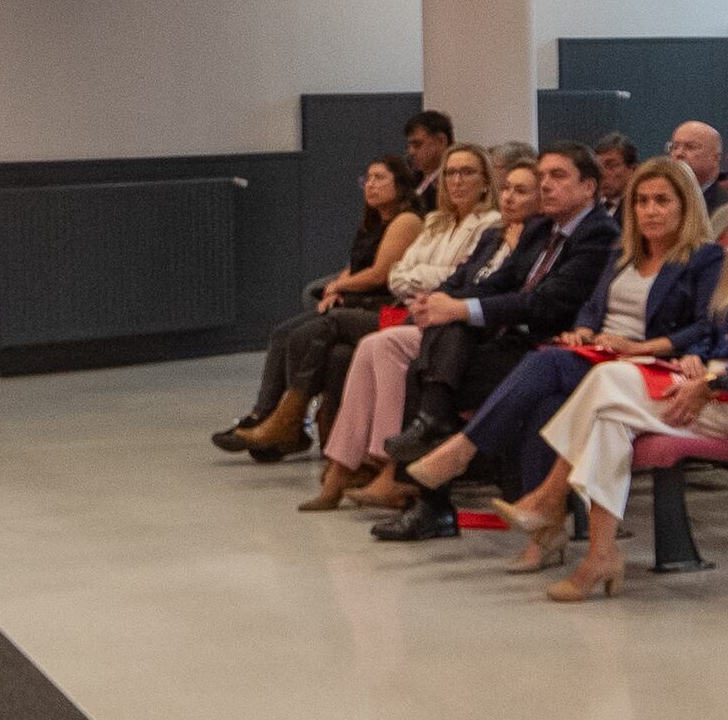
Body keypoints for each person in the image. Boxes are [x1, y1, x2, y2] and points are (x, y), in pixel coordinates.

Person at [487, 177, 728, 603]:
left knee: (610, 380)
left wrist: (715, 377)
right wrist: (697, 359)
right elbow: (714, 338)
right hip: (710, 386)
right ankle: (600, 555)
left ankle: (549, 499)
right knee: (609, 417)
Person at [378, 158, 709, 539]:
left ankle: (463, 454)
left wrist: (638, 347)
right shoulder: (613, 248)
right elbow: (572, 301)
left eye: (662, 201)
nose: (650, 210)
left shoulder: (631, 242)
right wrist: (446, 302)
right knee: (437, 361)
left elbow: (705, 326)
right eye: (643, 201)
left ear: (589, 188)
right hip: (583, 352)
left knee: (537, 365)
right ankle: (454, 509)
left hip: (622, 360)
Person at [380, 143, 613, 467]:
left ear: (588, 187)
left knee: (434, 373)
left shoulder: (599, 234)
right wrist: (441, 303)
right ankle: (427, 460)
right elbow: (499, 281)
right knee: (441, 340)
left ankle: (425, 491)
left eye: (557, 176)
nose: (545, 184)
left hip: (547, 345)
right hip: (509, 337)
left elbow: (545, 304)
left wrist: (459, 309)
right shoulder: (542, 227)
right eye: (542, 175)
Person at [303, 150, 499, 510]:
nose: (456, 181)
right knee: (359, 348)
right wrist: (427, 278)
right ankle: (344, 466)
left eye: (467, 173)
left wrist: (423, 279)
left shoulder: (490, 225)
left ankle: (388, 464)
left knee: (368, 341)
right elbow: (397, 274)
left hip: (454, 325)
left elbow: (464, 278)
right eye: (451, 173)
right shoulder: (436, 222)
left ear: (486, 181)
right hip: (418, 313)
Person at [221, 158, 415, 457]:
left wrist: (340, 287)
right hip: (358, 302)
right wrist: (333, 290)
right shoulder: (373, 222)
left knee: (308, 333)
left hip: (384, 307)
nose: (371, 185)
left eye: (380, 178)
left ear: (400, 185)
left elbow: (380, 274)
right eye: (368, 179)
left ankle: (288, 422)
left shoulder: (407, 221)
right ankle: (267, 415)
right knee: (284, 333)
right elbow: (353, 267)